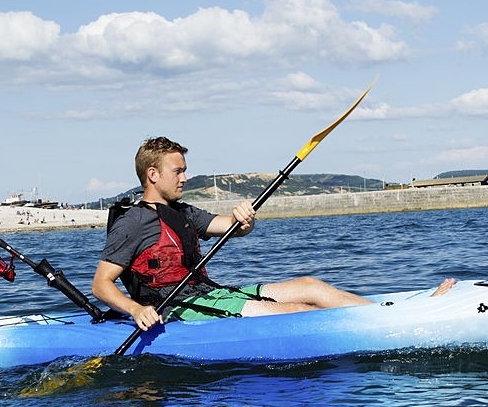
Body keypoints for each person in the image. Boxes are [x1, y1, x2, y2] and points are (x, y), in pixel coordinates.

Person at [92, 137, 454, 332]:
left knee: (311, 287)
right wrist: (136, 309)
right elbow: (102, 284)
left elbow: (227, 227)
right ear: (153, 175)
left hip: (206, 294)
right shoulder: (133, 221)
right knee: (295, 311)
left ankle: (394, 316)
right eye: (178, 171)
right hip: (173, 308)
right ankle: (381, 326)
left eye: (186, 170)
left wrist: (242, 220)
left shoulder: (183, 212)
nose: (185, 177)